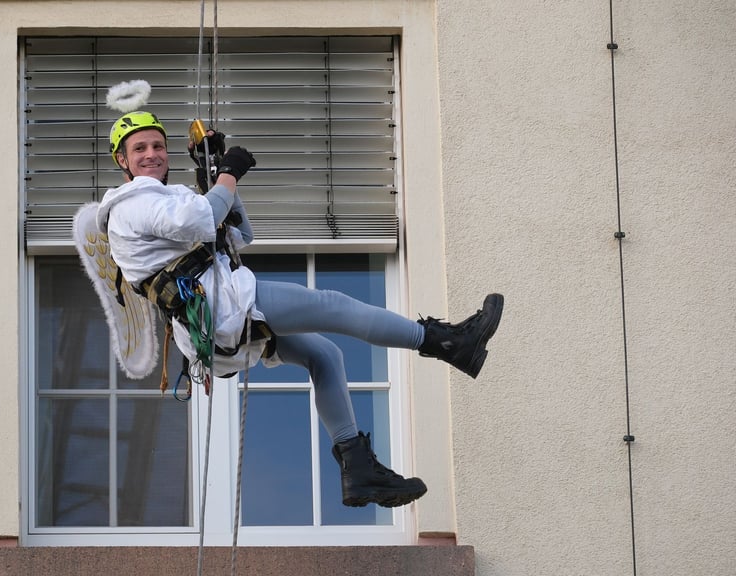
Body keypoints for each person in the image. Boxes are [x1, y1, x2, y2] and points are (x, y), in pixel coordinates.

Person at [95, 111, 504, 509]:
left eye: (158, 145)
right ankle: (446, 342)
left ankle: (357, 467)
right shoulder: (131, 202)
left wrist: (213, 179)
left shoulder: (170, 199)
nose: (151, 154)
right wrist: (227, 175)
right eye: (139, 148)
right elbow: (199, 220)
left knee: (324, 355)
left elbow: (240, 234)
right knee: (333, 306)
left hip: (216, 319)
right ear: (122, 160)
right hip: (221, 308)